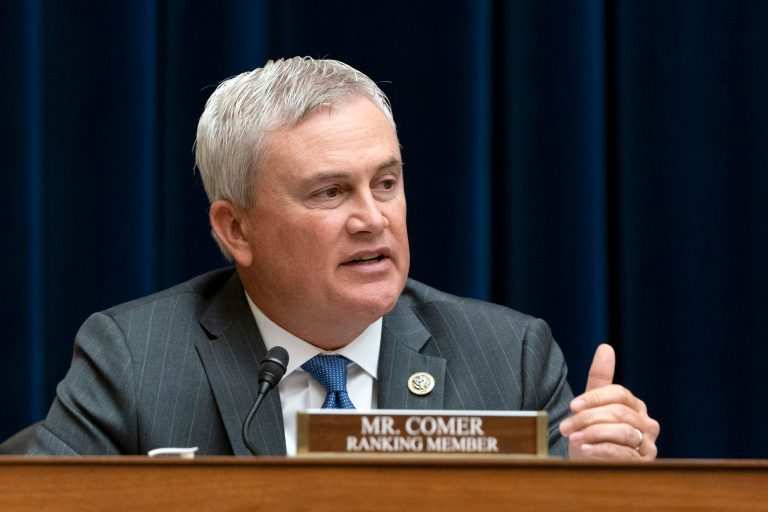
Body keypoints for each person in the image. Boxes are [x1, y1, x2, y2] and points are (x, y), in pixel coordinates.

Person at [9, 57, 659, 459]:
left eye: (386, 182)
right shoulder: (134, 358)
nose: (373, 218)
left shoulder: (509, 359)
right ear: (235, 229)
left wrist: (601, 490)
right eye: (330, 192)